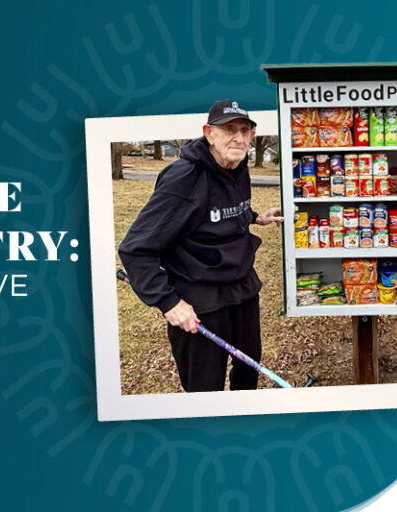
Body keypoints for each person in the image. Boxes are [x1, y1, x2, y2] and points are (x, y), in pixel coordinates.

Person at [118, 100, 283, 392]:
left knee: (248, 366)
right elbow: (135, 249)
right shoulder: (183, 179)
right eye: (229, 129)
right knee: (205, 386)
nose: (239, 138)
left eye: (245, 130)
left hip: (241, 286)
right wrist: (169, 303)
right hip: (200, 296)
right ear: (209, 134)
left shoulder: (237, 165)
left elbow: (221, 212)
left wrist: (256, 218)